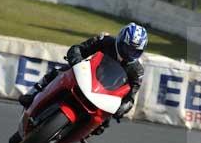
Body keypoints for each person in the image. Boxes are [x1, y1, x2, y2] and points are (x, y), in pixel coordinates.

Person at [18, 22, 147, 128]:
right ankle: (32, 93)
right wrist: (76, 60)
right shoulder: (106, 42)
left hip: (106, 94)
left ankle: (76, 138)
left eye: (135, 51)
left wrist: (123, 107)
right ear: (120, 40)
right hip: (86, 75)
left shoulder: (137, 71)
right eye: (127, 48)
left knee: (103, 124)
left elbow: (131, 95)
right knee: (60, 71)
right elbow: (79, 48)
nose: (130, 53)